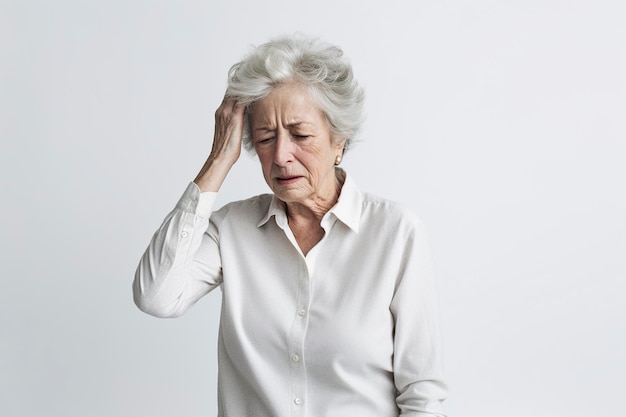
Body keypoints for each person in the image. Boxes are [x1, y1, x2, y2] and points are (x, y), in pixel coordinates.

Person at [133, 35, 447, 417]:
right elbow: (156, 296)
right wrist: (217, 161)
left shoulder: (396, 233)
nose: (281, 156)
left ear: (339, 141)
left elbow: (422, 394)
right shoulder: (231, 228)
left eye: (300, 135)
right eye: (265, 138)